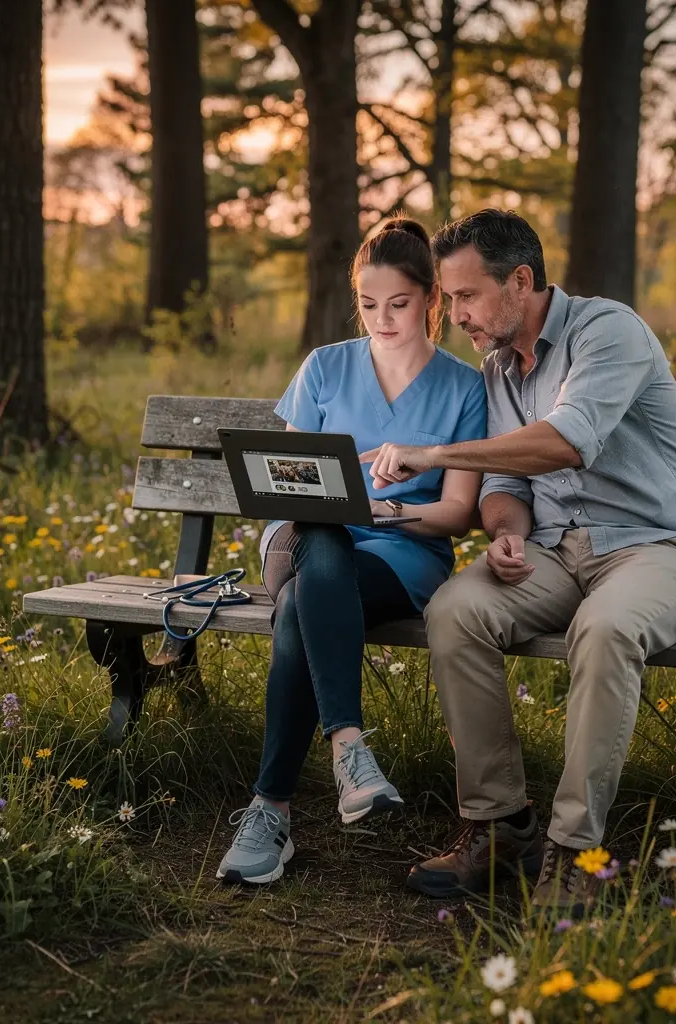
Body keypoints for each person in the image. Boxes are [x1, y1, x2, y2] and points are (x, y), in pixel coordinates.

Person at [359, 209, 676, 912]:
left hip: (657, 548)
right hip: (556, 552)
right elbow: (505, 484)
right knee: (458, 609)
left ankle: (575, 849)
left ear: (519, 282)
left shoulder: (607, 331)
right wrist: (506, 530)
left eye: (465, 295)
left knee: (606, 629)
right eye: (449, 296)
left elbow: (565, 441)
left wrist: (433, 454)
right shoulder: (500, 364)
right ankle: (499, 826)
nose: (453, 312)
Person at [217, 218, 487, 886]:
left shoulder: (465, 387)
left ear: (429, 300)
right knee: (322, 533)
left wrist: (387, 508)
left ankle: (269, 809)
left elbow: (456, 512)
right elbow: (282, 477)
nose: (382, 319)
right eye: (369, 305)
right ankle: (349, 748)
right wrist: (334, 502)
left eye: (397, 304)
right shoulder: (325, 367)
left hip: (400, 555)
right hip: (297, 538)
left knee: (302, 607)